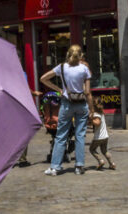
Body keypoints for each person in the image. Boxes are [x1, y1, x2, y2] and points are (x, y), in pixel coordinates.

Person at [40, 45, 93, 176]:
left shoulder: (62, 67)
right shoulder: (84, 69)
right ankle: (79, 166)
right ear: (81, 55)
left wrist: (59, 89)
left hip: (67, 103)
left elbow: (43, 78)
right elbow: (87, 92)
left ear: (68, 55)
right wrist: (91, 109)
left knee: (61, 135)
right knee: (80, 136)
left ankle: (55, 167)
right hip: (81, 104)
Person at [89, 96, 116, 170]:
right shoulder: (101, 113)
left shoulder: (96, 114)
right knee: (104, 151)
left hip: (99, 137)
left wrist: (91, 120)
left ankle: (100, 161)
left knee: (92, 149)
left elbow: (97, 123)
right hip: (105, 136)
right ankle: (112, 164)